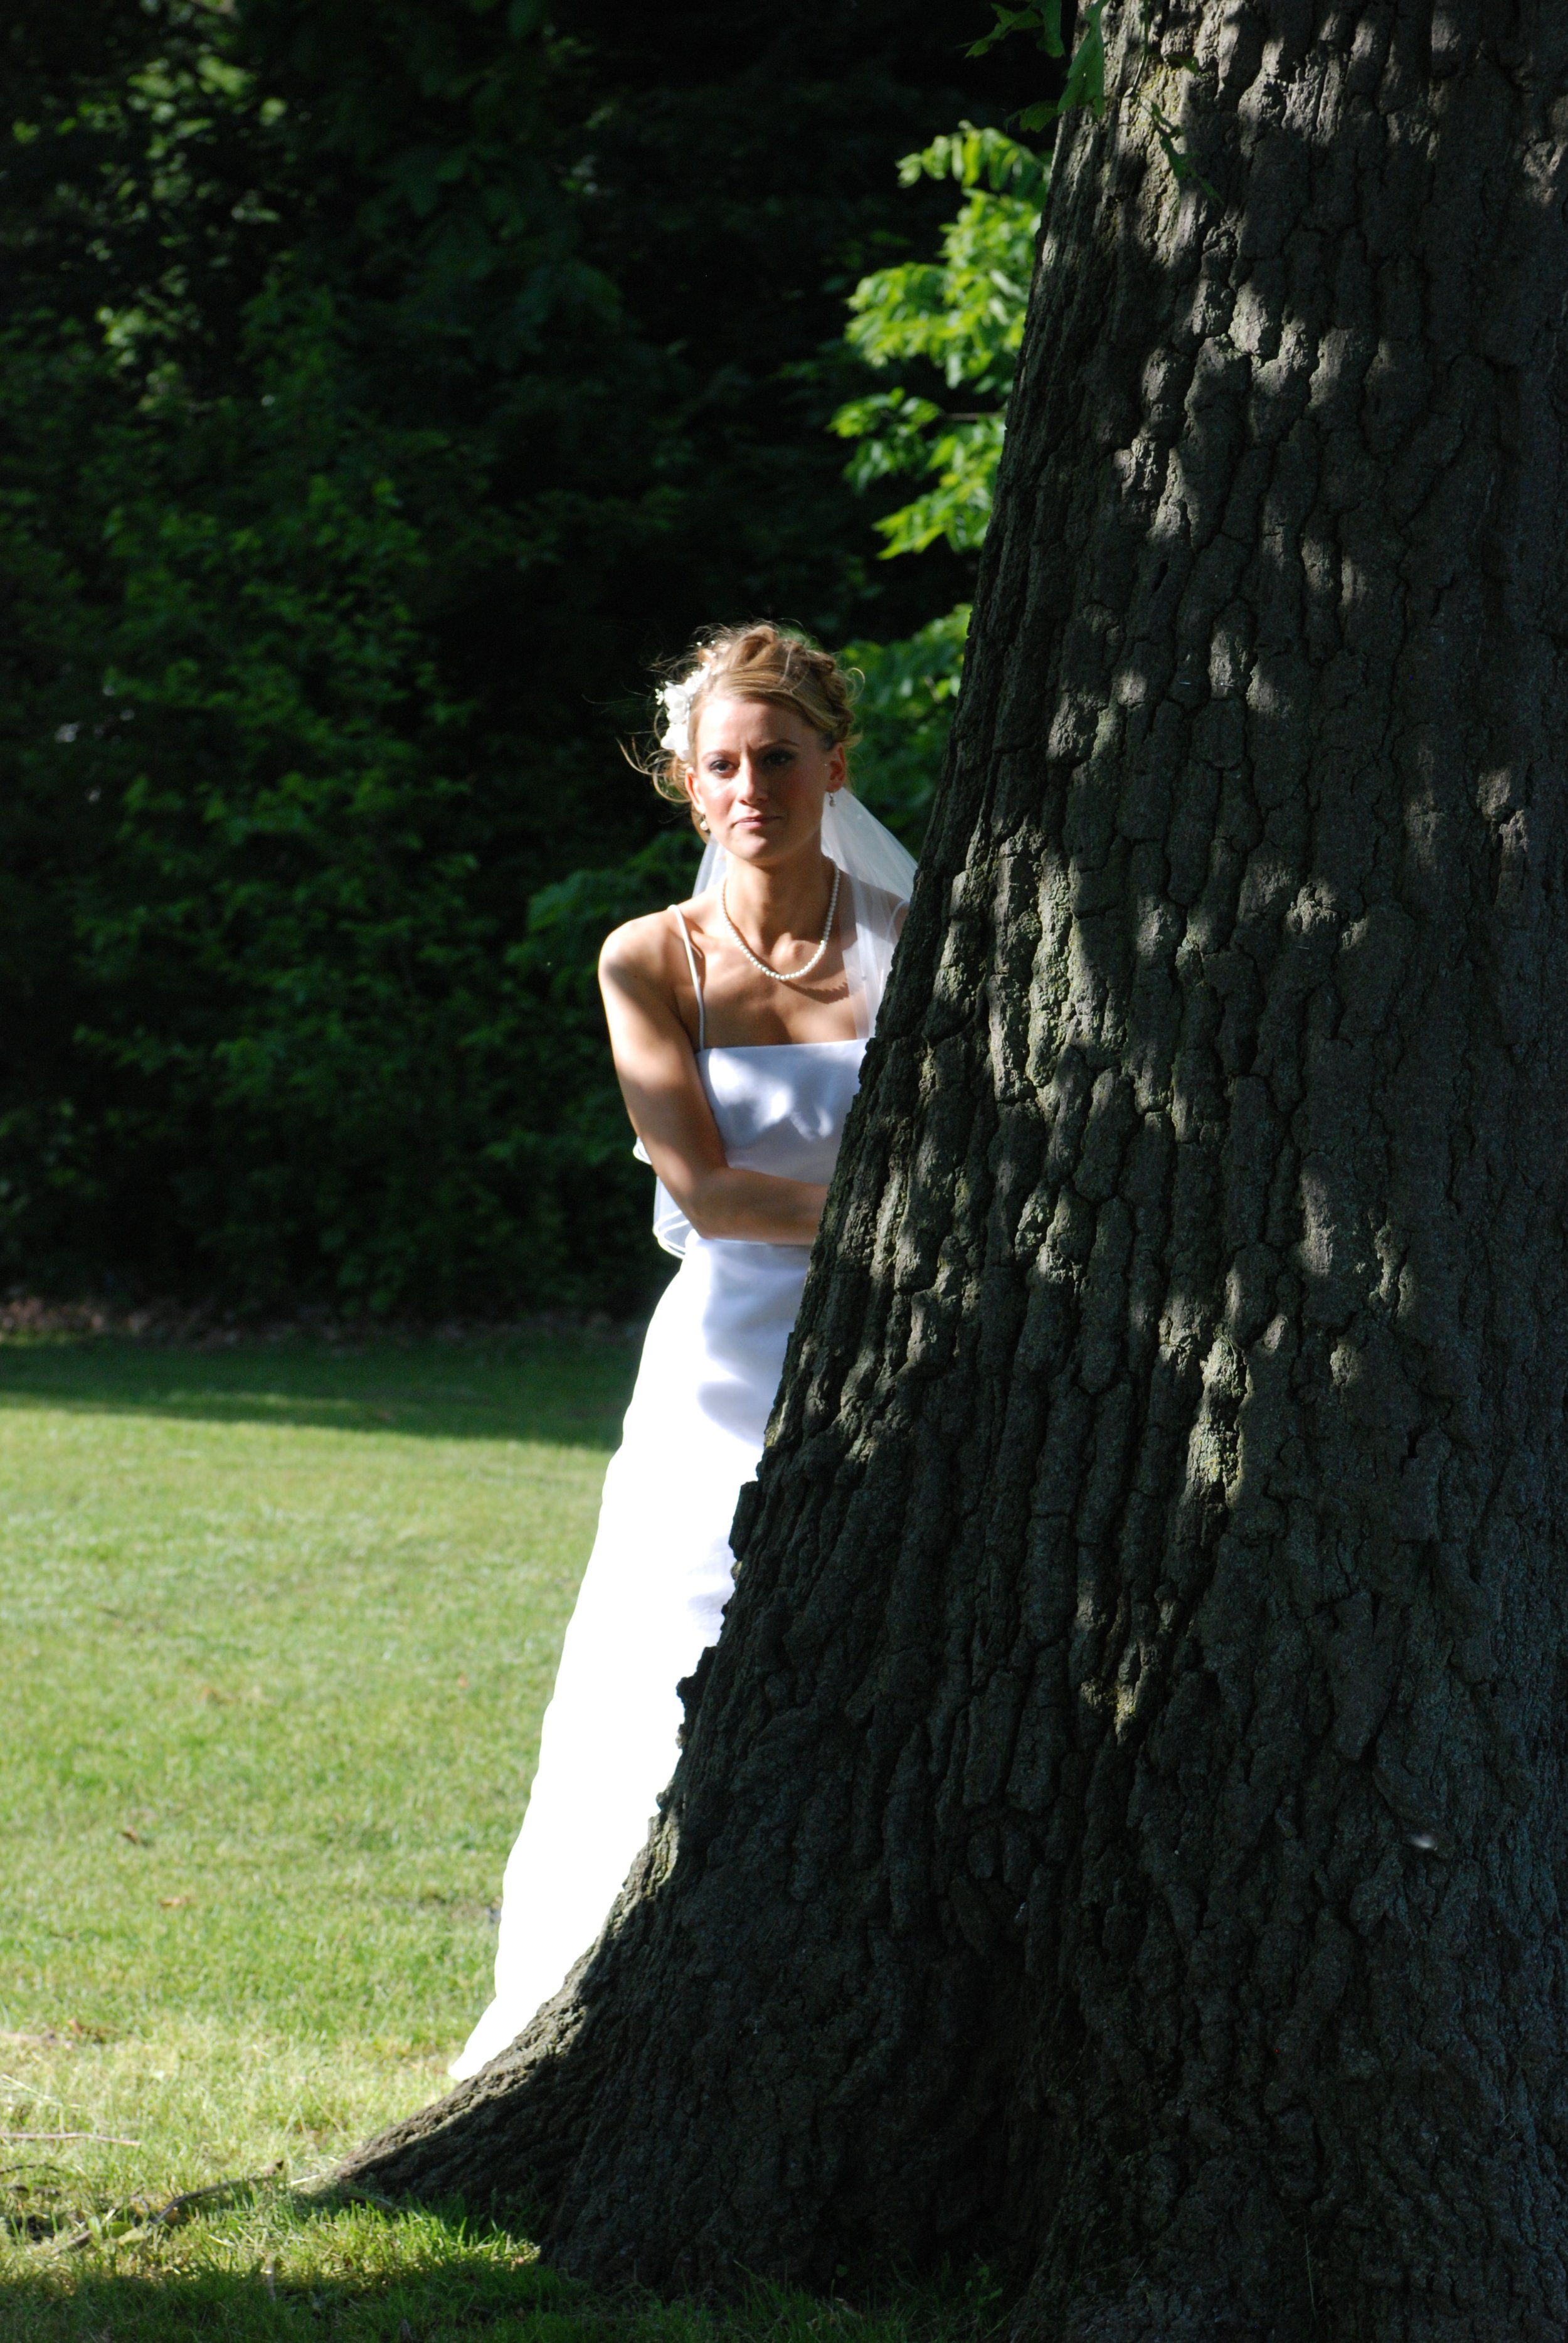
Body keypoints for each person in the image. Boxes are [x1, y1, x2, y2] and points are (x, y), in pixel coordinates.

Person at [450, 622, 914, 2080]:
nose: (751, 785)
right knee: (674, 1646)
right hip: (723, 1361)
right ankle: (597, 2011)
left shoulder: (922, 940)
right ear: (682, 781)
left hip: (900, 1352)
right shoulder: (648, 956)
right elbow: (707, 1185)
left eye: (779, 756)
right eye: (721, 763)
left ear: (835, 764)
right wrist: (913, 1219)